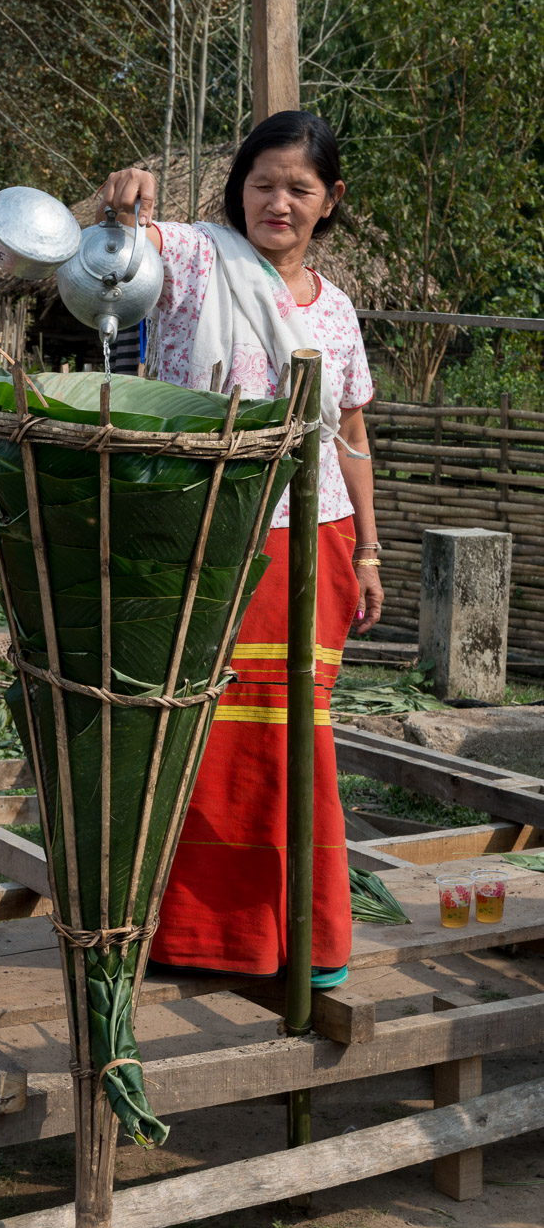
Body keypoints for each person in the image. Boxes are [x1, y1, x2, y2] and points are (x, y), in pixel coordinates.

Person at [97, 111, 383, 985]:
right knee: (203, 727)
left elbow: (352, 430)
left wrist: (370, 550)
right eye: (263, 183)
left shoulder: (335, 309)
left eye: (300, 189)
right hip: (213, 535)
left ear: (330, 200)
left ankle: (306, 933)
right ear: (238, 189)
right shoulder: (194, 260)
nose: (279, 203)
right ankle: (195, 935)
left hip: (317, 541)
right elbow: (117, 254)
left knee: (299, 735)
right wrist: (124, 211)